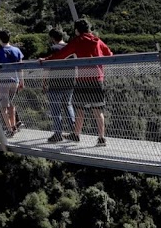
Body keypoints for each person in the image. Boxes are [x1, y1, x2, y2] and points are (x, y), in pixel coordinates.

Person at [42, 18, 111, 146]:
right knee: (98, 110)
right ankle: (101, 138)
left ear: (77, 30)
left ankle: (76, 134)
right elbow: (109, 54)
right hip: (97, 79)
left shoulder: (77, 41)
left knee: (80, 108)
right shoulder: (98, 40)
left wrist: (46, 59)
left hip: (83, 79)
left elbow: (61, 55)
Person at [44, 28, 75, 143]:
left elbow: (47, 66)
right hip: (69, 82)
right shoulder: (70, 48)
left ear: (52, 38)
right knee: (68, 105)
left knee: (55, 109)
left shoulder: (53, 48)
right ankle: (74, 131)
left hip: (55, 83)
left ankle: (58, 134)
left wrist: (44, 81)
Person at [0, 31, 24, 136]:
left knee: (3, 107)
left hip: (4, 82)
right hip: (15, 81)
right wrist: (22, 81)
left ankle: (10, 130)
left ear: (0, 39)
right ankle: (14, 126)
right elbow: (20, 67)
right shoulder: (16, 50)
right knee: (11, 105)